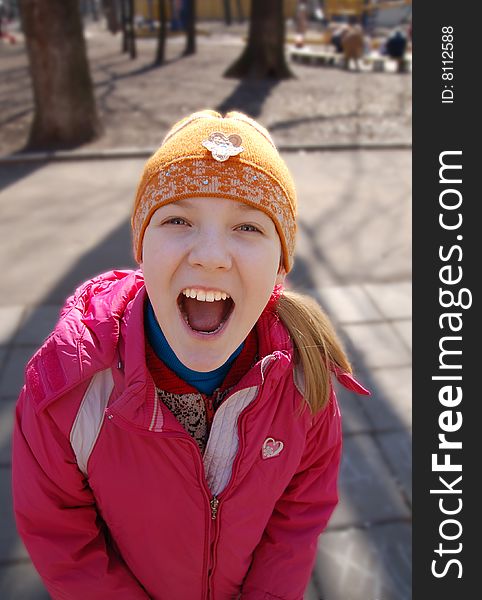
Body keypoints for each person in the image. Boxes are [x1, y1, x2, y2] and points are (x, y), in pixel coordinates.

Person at [12, 110, 369, 599]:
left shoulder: (305, 384)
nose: (210, 254)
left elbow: (298, 517)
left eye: (247, 227)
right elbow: (62, 539)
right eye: (178, 219)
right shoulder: (67, 390)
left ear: (280, 265)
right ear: (142, 245)